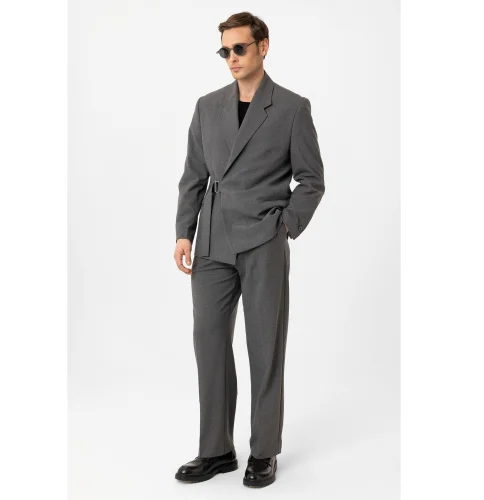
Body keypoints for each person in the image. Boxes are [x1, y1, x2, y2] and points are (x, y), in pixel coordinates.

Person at [173, 11, 325, 488]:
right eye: (225, 50)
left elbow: (312, 180)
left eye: (239, 48)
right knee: (209, 342)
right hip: (212, 242)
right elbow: (193, 176)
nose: (232, 58)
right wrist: (184, 232)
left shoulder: (291, 108)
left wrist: (285, 225)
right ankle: (216, 449)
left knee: (265, 346)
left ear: (263, 46)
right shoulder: (207, 106)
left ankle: (264, 451)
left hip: (263, 240)